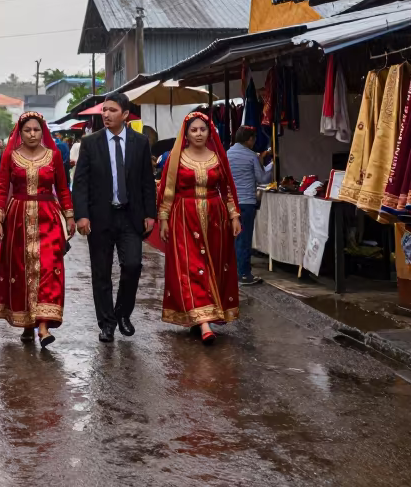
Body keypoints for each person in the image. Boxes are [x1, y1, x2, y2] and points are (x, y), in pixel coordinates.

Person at [71, 92, 156, 343]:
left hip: (130, 216)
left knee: (132, 265)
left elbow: (147, 181)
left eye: (112, 110)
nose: (106, 115)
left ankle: (122, 313)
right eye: (104, 110)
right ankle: (106, 324)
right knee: (101, 272)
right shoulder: (90, 143)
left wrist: (150, 214)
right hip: (100, 216)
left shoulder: (140, 142)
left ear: (125, 114)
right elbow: (81, 183)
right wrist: (81, 215)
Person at [0, 113, 75, 348]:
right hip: (17, 218)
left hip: (48, 218)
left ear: (42, 131)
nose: (32, 134)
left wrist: (69, 216)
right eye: (27, 130)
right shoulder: (11, 156)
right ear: (20, 133)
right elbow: (1, 188)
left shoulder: (53, 155)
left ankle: (43, 327)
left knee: (48, 267)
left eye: (36, 130)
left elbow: (63, 187)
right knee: (22, 269)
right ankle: (28, 323)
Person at [156, 112, 242, 344]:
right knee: (192, 266)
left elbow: (226, 188)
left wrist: (234, 216)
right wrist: (163, 219)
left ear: (209, 131)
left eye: (202, 129)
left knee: (212, 266)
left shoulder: (217, 157)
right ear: (186, 133)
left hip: (215, 220)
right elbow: (168, 190)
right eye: (193, 130)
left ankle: (201, 316)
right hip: (184, 218)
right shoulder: (177, 158)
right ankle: (204, 323)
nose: (198, 134)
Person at [227, 126, 274, 286]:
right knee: (244, 239)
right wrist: (271, 165)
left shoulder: (227, 154)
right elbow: (262, 179)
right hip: (246, 202)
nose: (254, 143)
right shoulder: (251, 156)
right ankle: (244, 274)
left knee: (234, 238)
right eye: (253, 139)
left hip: (230, 203)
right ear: (249, 139)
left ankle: (233, 271)